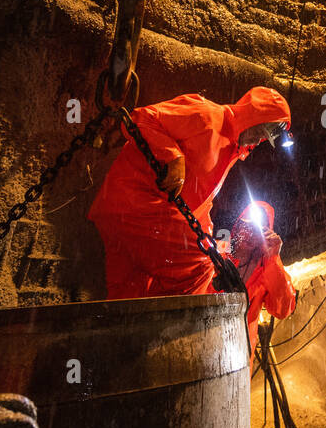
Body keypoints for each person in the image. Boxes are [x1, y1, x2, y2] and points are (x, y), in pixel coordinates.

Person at [88, 87, 290, 299]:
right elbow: (141, 118)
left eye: (264, 138)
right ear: (252, 115)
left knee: (128, 293)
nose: (259, 141)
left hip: (130, 215)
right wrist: (172, 156)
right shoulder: (206, 115)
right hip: (136, 206)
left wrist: (208, 236)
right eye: (260, 132)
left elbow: (199, 204)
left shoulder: (229, 151)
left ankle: (128, 327)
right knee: (199, 265)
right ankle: (173, 328)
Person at [228, 200, 297, 354]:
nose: (250, 233)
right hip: (206, 337)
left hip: (239, 350)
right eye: (246, 226)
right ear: (238, 227)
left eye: (256, 229)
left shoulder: (266, 270)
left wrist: (273, 259)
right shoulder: (217, 256)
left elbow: (283, 309)